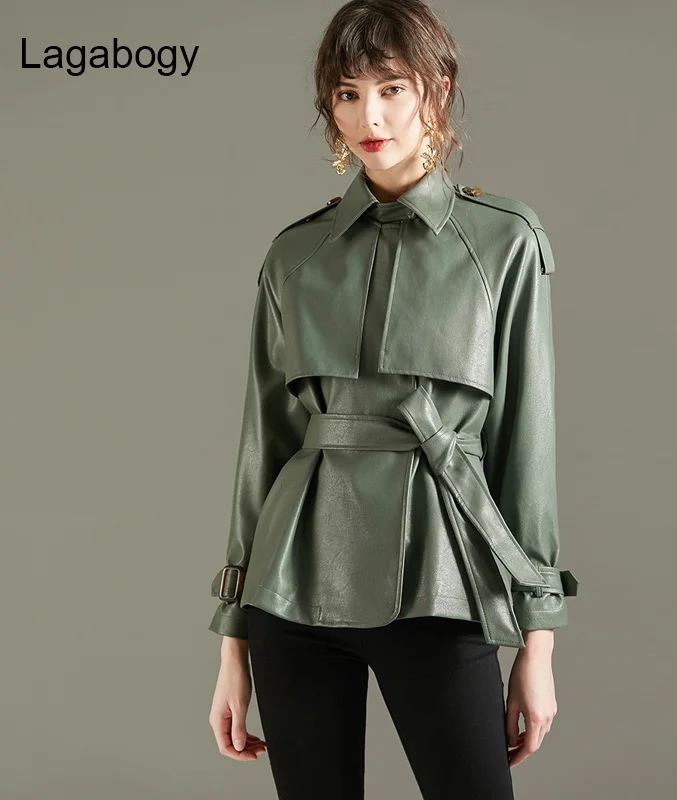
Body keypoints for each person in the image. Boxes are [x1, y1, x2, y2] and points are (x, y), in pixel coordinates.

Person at [207, 1, 579, 797]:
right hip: (289, 593)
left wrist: (538, 640)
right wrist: (232, 643)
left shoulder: (505, 241)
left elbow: (527, 440)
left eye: (391, 88)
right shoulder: (295, 253)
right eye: (346, 94)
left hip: (441, 582)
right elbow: (263, 445)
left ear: (435, 93)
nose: (368, 117)